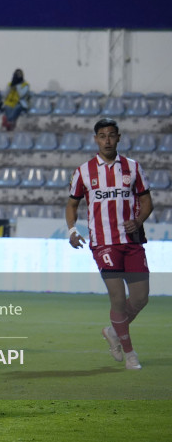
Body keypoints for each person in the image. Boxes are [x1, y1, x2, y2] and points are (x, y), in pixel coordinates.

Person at [66, 118, 153, 370]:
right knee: (117, 298)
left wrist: (138, 221)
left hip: (132, 241)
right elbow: (72, 204)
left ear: (118, 138)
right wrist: (72, 230)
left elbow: (147, 202)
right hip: (104, 243)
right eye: (102, 135)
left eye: (111, 135)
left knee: (140, 298)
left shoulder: (133, 167)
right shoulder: (84, 171)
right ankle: (130, 354)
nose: (107, 140)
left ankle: (114, 332)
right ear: (96, 139)